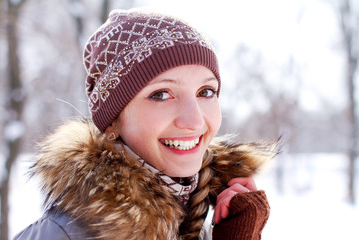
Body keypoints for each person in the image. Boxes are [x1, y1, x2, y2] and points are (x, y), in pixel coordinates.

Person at [14, 8, 278, 240]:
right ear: (112, 121)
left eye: (205, 92)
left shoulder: (204, 216)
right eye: (161, 94)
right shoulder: (64, 235)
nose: (195, 120)